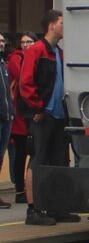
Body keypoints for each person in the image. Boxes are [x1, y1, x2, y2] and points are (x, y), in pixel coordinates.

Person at [20, 10, 77, 226]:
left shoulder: (58, 53)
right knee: (38, 159)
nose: (65, 27)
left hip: (59, 114)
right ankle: (33, 210)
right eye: (62, 23)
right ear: (51, 26)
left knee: (59, 161)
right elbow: (26, 83)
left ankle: (57, 207)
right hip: (44, 115)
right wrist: (38, 107)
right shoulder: (37, 51)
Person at [8, 33, 36, 204]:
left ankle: (29, 188)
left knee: (33, 153)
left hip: (32, 113)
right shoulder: (15, 59)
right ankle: (20, 190)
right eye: (23, 42)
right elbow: (25, 77)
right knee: (20, 154)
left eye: (29, 42)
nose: (26, 45)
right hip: (19, 115)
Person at [0, 35, 12, 209]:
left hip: (6, 117)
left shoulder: (3, 64)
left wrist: (11, 112)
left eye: (2, 41)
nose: (1, 44)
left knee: (0, 158)